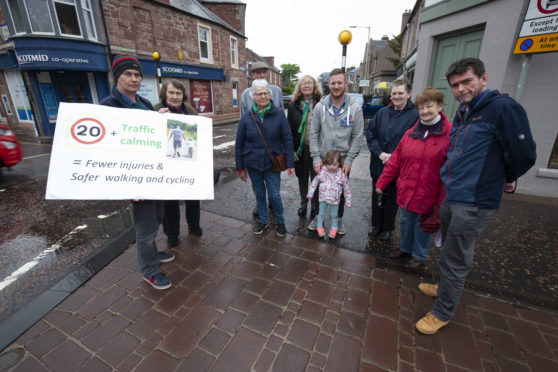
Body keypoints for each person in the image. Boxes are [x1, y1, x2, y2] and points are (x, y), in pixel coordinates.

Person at [415, 58, 536, 335]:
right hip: (453, 195)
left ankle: (442, 312)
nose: (461, 88)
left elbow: (524, 153)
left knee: (457, 258)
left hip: (474, 201)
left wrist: (507, 178)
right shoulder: (464, 111)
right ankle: (444, 288)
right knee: (449, 248)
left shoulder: (503, 109)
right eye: (455, 85)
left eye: (466, 81)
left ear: (483, 78)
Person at [100, 54, 174, 290]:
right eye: (128, 74)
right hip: (135, 180)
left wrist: (159, 119)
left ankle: (152, 253)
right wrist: (127, 184)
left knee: (158, 218)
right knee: (145, 229)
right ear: (117, 78)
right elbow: (106, 150)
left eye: (137, 75)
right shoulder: (108, 107)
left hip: (154, 175)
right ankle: (149, 271)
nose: (134, 79)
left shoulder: (144, 104)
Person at [375, 87, 452, 269]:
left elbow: (450, 170)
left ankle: (419, 255)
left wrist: (443, 199)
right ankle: (405, 248)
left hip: (430, 193)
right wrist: (382, 181)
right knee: (406, 222)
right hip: (407, 190)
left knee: (423, 226)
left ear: (439, 106)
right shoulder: (410, 133)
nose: (425, 111)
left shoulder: (450, 133)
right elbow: (395, 161)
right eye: (421, 108)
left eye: (429, 107)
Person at [235, 79, 295, 237]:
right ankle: (262, 220)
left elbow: (288, 139)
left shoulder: (279, 114)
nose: (263, 96)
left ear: (270, 95)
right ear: (252, 97)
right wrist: (240, 168)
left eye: (266, 93)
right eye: (259, 94)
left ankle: (280, 221)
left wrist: (290, 164)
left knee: (274, 194)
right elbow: (239, 143)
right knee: (259, 193)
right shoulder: (247, 117)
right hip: (252, 163)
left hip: (272, 163)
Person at [308, 68, 364, 235]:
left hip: (342, 161)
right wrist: (316, 157)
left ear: (345, 83)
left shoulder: (355, 109)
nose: (336, 86)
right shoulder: (320, 107)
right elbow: (313, 133)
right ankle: (318, 216)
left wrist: (349, 161)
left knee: (339, 191)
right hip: (322, 159)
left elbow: (358, 137)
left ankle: (338, 220)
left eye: (340, 82)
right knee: (318, 189)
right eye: (333, 83)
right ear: (328, 84)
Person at [366, 78, 419, 241]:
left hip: (399, 166)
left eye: (400, 93)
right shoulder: (382, 113)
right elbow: (371, 135)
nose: (396, 96)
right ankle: (376, 224)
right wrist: (380, 153)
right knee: (377, 195)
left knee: (393, 197)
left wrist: (394, 157)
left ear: (409, 94)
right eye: (394, 93)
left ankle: (388, 227)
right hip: (379, 161)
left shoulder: (415, 115)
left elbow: (414, 141)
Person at [154, 79, 204, 247]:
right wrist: (156, 120)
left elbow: (200, 135)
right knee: (169, 201)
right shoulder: (155, 110)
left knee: (192, 196)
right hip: (166, 164)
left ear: (183, 95)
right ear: (164, 94)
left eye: (178, 93)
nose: (175, 96)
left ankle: (194, 225)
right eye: (171, 93)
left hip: (188, 163)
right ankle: (172, 233)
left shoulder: (190, 111)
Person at [241, 61, 284, 216]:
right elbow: (242, 121)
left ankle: (274, 201)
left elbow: (281, 116)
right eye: (257, 72)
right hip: (254, 148)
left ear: (267, 73)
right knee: (257, 183)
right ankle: (260, 205)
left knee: (274, 181)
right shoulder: (245, 94)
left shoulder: (277, 91)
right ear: (252, 75)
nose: (260, 75)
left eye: (263, 72)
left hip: (272, 147)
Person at [287, 75, 322, 218]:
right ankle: (303, 204)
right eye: (303, 83)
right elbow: (288, 130)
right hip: (300, 149)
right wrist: (292, 150)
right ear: (300, 87)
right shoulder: (293, 105)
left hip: (316, 149)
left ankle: (315, 206)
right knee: (302, 178)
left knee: (315, 178)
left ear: (314, 86)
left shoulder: (322, 103)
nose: (306, 85)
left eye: (309, 83)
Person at [307, 150, 352, 239]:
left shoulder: (342, 175)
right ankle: (319, 226)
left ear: (339, 163)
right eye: (329, 164)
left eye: (334, 164)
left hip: (335, 200)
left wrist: (348, 200)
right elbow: (314, 182)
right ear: (325, 163)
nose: (331, 167)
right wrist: (310, 193)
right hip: (323, 199)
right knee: (321, 214)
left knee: (334, 215)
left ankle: (334, 228)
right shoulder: (322, 172)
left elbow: (346, 188)